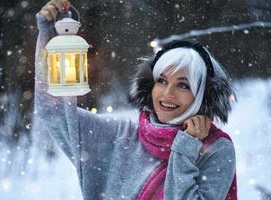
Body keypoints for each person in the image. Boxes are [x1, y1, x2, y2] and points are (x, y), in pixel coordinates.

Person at [34, 0, 237, 199]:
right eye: (162, 81)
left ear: (203, 95)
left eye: (183, 85)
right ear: (150, 86)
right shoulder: (122, 136)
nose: (167, 93)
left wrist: (186, 146)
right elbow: (54, 112)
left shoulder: (215, 148)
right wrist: (52, 40)